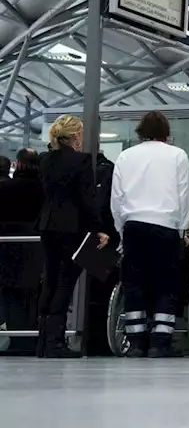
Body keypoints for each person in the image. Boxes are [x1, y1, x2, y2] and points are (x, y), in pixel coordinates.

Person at [109, 111, 189, 358]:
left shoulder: (126, 156)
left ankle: (135, 341)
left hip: (133, 225)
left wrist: (121, 228)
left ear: (140, 131)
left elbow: (117, 197)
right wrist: (182, 228)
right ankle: (160, 341)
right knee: (166, 285)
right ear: (166, 132)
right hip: (166, 225)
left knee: (134, 284)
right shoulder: (177, 155)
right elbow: (184, 195)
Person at [36, 116, 108, 358]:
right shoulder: (81, 161)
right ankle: (56, 341)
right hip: (72, 227)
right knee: (66, 280)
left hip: (47, 225)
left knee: (50, 279)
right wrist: (98, 227)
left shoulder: (44, 160)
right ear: (76, 135)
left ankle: (43, 340)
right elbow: (86, 199)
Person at [0, 148, 43, 353]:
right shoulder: (44, 189)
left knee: (10, 295)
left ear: (17, 164)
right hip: (36, 248)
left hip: (8, 246)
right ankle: (31, 337)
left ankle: (17, 339)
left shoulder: (5, 188)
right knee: (34, 293)